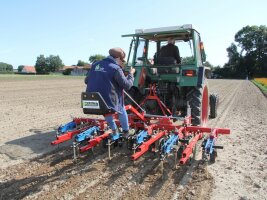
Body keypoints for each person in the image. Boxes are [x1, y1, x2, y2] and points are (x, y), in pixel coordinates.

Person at [85, 47, 135, 137]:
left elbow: (86, 81)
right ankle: (126, 131)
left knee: (106, 109)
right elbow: (127, 85)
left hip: (91, 100)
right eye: (122, 61)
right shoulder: (115, 68)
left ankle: (114, 130)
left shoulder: (95, 65)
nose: (122, 63)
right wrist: (131, 74)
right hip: (108, 102)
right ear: (118, 58)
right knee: (121, 108)